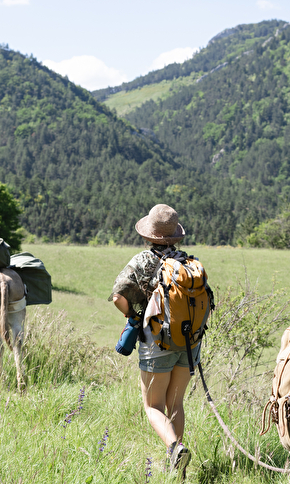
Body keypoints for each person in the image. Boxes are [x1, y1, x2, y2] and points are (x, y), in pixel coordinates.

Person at [110, 204, 194, 478]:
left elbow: (118, 296)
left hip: (157, 342)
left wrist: (132, 316)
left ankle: (175, 449)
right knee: (175, 404)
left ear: (150, 235)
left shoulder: (143, 261)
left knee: (152, 406)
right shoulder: (188, 262)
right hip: (189, 343)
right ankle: (177, 471)